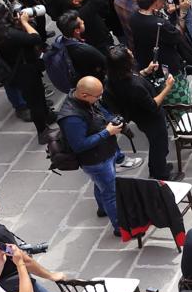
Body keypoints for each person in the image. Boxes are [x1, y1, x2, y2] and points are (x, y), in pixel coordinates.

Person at [59, 76, 143, 235]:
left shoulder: (84, 100)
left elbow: (101, 113)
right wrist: (107, 132)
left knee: (102, 184)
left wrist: (113, 121)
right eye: (97, 96)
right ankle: (122, 228)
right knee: (111, 193)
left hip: (105, 152)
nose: (99, 99)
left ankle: (103, 209)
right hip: (96, 160)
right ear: (84, 95)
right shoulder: (71, 118)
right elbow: (79, 145)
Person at [104, 47, 175, 182]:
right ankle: (161, 174)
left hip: (138, 116)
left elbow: (133, 75)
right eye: (129, 54)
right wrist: (168, 87)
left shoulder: (113, 78)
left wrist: (145, 71)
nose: (132, 53)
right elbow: (153, 105)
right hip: (151, 117)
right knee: (159, 145)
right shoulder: (135, 86)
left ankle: (156, 168)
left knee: (155, 143)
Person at [0, 3, 54, 142]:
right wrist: (24, 22)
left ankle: (47, 116)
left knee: (38, 96)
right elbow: (35, 38)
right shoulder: (9, 34)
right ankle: (42, 131)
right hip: (25, 71)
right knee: (35, 101)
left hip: (18, 69)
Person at [128, 0, 192, 105]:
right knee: (179, 99)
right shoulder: (159, 24)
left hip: (146, 62)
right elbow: (177, 36)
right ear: (155, 3)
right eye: (162, 1)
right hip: (167, 65)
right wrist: (182, 12)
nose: (164, 3)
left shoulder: (134, 17)